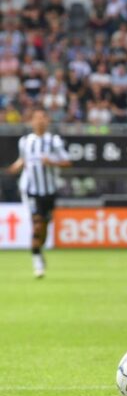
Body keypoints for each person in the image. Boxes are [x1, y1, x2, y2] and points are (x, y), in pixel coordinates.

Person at [5, 108, 72, 278]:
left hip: (49, 191)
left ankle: (39, 250)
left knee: (44, 229)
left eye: (43, 118)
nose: (40, 121)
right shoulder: (25, 141)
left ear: (47, 121)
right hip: (31, 190)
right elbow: (23, 159)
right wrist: (16, 167)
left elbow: (67, 162)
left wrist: (51, 162)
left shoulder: (54, 141)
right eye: (36, 118)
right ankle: (37, 262)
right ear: (32, 122)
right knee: (37, 224)